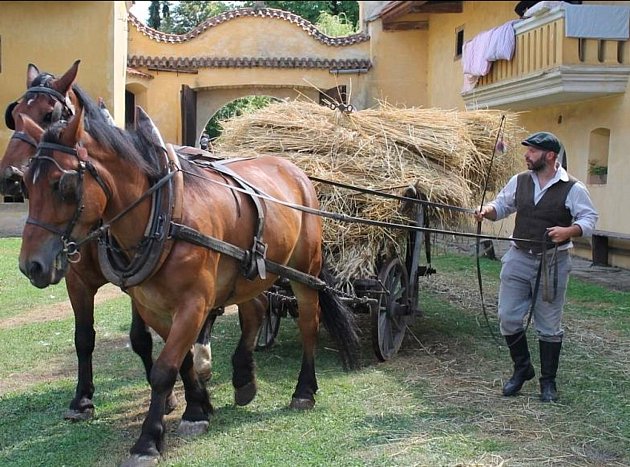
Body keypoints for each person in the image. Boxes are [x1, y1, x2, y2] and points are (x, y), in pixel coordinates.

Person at [474, 131, 598, 402]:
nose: (526, 155)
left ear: (550, 155)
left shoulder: (573, 187)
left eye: (531, 151)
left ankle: (548, 382)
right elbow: (502, 205)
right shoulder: (520, 181)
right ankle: (522, 369)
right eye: (527, 150)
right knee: (508, 316)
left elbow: (589, 218)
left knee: (549, 324)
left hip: (553, 261)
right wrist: (487, 211)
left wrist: (570, 230)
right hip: (518, 256)